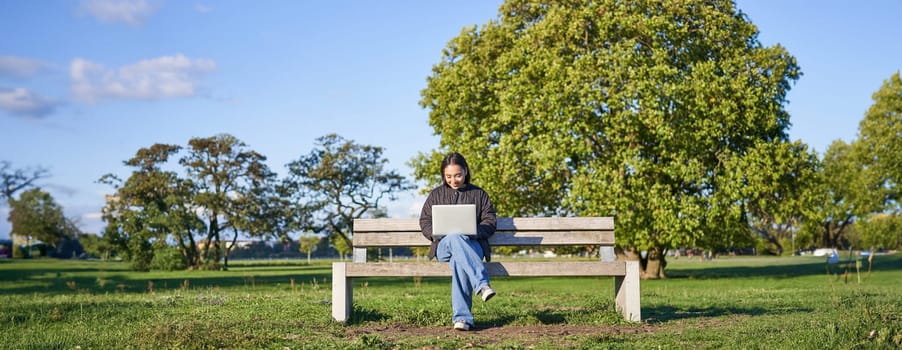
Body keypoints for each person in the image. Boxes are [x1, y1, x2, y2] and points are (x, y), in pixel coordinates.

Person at [419, 152, 497, 331]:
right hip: (443, 246)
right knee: (454, 237)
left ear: (466, 171)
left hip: (472, 246)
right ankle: (482, 284)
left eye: (458, 175)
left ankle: (462, 319)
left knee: (458, 262)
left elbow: (490, 222)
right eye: (448, 176)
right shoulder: (436, 195)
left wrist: (472, 232)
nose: (453, 180)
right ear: (443, 176)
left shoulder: (479, 194)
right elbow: (425, 221)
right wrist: (436, 234)